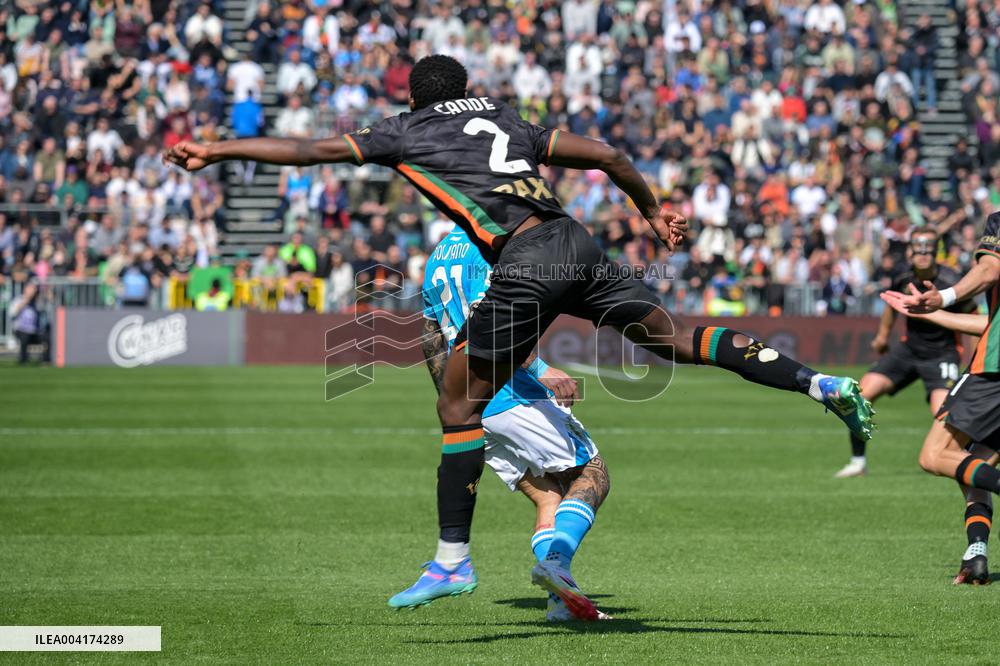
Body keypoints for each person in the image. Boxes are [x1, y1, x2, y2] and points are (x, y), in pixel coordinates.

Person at [164, 55, 874, 620]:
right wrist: (655, 215)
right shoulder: (504, 117)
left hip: (526, 260)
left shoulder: (404, 130)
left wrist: (216, 149)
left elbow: (306, 149)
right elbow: (605, 154)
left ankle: (451, 561)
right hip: (577, 243)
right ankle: (821, 384)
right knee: (679, 338)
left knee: (455, 405)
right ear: (466, 89)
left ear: (414, 99)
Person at [393, 227, 611, 620]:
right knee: (592, 472)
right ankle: (557, 565)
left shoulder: (440, 253)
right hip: (511, 391)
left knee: (548, 496)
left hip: (470, 405)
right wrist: (542, 368)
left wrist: (452, 405)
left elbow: (430, 336)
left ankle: (561, 603)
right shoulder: (493, 244)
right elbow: (494, 316)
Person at [882, 210, 1000, 585]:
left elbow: (988, 272)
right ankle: (976, 553)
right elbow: (989, 322)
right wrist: (933, 314)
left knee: (935, 455)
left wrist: (944, 296)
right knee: (975, 462)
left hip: (994, 368)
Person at [836, 228, 977, 478]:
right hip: (908, 350)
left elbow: (973, 316)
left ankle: (969, 463)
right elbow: (893, 306)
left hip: (942, 354)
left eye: (928, 249)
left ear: (936, 251)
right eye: (918, 249)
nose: (922, 255)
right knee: (859, 395)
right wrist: (882, 336)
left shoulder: (952, 280)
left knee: (944, 414)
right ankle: (858, 463)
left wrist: (976, 357)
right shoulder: (902, 275)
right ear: (911, 250)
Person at [11, 282, 45, 364]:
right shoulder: (18, 299)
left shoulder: (37, 302)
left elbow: (42, 311)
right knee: (24, 336)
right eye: (30, 289)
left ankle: (46, 360)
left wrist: (37, 299)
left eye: (33, 289)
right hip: (20, 329)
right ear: (25, 290)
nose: (32, 291)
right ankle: (23, 359)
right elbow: (13, 312)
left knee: (46, 337)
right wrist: (26, 300)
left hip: (34, 330)